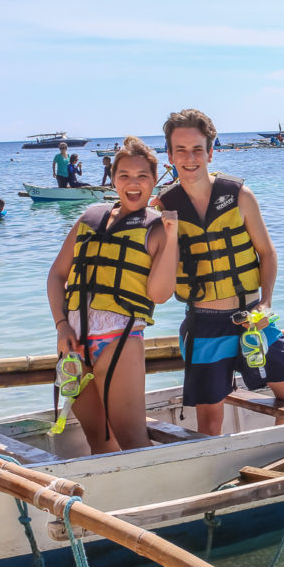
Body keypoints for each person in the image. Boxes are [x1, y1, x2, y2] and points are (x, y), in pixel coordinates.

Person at [153, 108, 284, 436]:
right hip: (204, 324)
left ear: (211, 152)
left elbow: (266, 252)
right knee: (210, 421)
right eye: (180, 150)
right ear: (169, 156)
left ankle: (277, 460)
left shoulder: (239, 196)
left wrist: (265, 304)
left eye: (197, 149)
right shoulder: (163, 209)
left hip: (252, 319)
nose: (189, 158)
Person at [47, 136, 179, 453]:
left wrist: (173, 236)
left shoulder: (158, 229)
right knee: (98, 439)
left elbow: (160, 295)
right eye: (125, 176)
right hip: (74, 342)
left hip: (119, 340)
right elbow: (57, 275)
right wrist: (61, 325)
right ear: (113, 179)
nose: (133, 184)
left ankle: (158, 498)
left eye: (142, 176)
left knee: (133, 440)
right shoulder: (89, 217)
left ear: (155, 180)